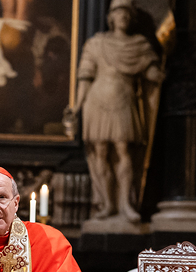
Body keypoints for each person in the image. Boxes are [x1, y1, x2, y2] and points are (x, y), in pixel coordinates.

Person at [71, 0, 161, 223]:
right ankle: (107, 203)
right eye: (118, 12)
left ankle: (125, 204)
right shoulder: (96, 44)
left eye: (127, 13)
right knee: (100, 152)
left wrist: (158, 73)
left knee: (123, 151)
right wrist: (77, 106)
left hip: (123, 101)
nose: (123, 16)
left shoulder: (139, 45)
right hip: (97, 102)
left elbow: (151, 73)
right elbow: (85, 77)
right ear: (110, 17)